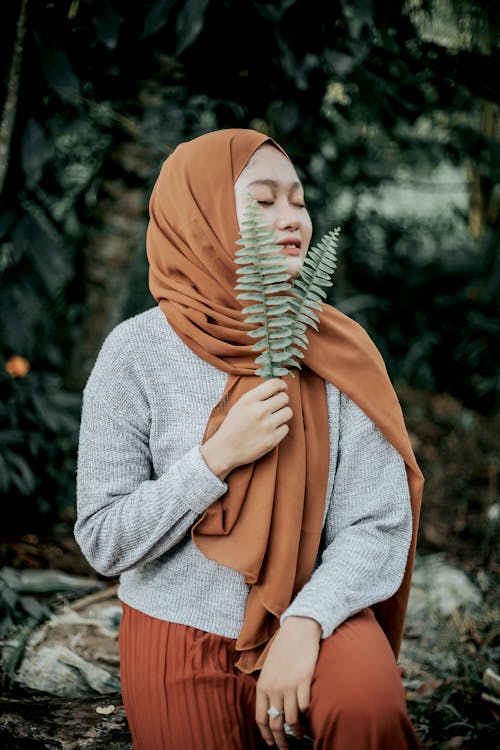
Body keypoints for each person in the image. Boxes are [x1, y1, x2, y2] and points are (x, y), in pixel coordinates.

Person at [74, 128, 424, 750]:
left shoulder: (338, 351)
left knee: (368, 711)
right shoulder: (134, 353)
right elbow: (103, 538)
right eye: (262, 202)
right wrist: (214, 460)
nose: (290, 218)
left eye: (298, 200)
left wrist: (307, 622)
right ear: (199, 215)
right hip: (177, 626)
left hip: (318, 610)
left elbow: (378, 522)